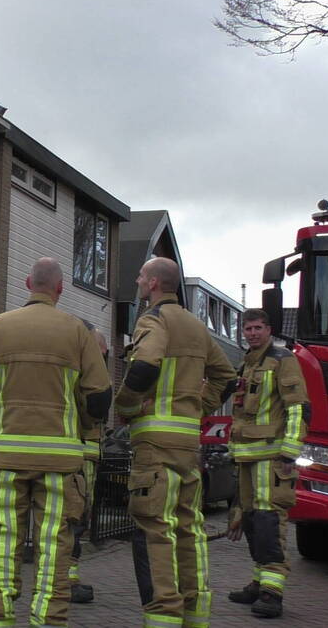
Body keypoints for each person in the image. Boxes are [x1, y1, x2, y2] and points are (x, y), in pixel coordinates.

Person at [0, 257, 112, 628]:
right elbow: (99, 400)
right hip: (61, 463)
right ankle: (47, 620)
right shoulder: (78, 331)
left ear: (28, 283)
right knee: (53, 550)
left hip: (6, 457)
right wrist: (80, 423)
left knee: (2, 546)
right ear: (60, 289)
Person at [115, 257, 235, 628]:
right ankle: (195, 614)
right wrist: (199, 407)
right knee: (189, 527)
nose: (136, 280)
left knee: (155, 528)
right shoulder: (197, 327)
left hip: (155, 443)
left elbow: (146, 364)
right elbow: (227, 376)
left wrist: (127, 406)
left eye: (139, 275)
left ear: (152, 283)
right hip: (186, 442)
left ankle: (163, 615)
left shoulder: (153, 320)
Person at [225, 309, 309, 619]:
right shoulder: (248, 363)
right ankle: (260, 582)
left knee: (269, 521)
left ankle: (273, 594)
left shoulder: (281, 359)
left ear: (269, 329)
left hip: (271, 459)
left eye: (258, 328)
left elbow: (298, 406)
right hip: (247, 457)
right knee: (250, 522)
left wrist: (289, 452)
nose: (252, 333)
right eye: (247, 328)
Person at [69, 322, 109, 604]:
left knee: (79, 519)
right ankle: (66, 579)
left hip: (87, 454)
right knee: (74, 519)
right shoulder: (82, 377)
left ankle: (67, 576)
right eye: (100, 351)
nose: (102, 357)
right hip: (79, 456)